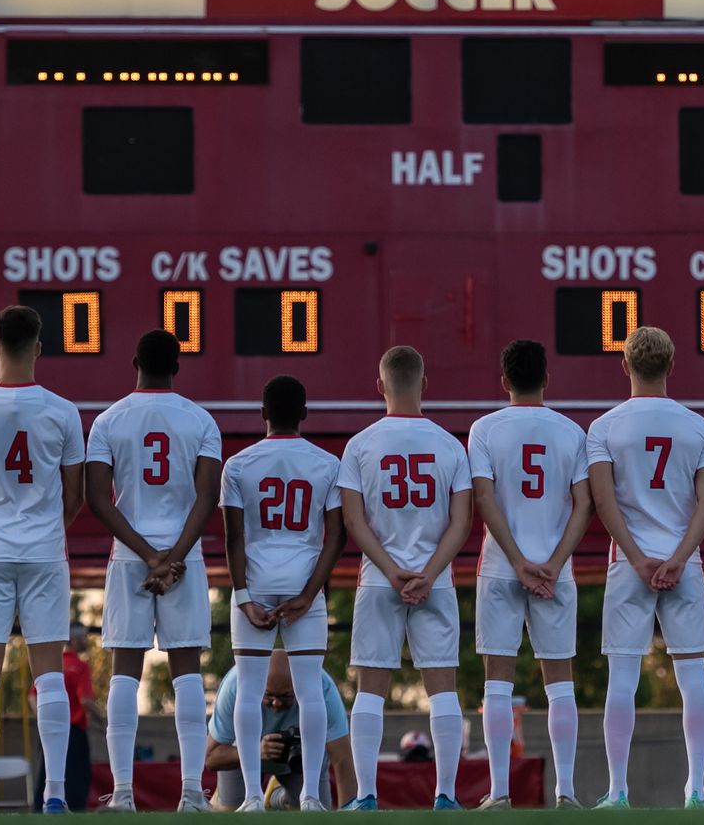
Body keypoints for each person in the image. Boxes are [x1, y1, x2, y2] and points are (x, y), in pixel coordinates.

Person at [0, 305, 86, 814]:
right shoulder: (62, 410)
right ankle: (53, 794)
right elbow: (75, 493)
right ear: (39, 347)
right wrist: (48, 527)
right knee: (49, 674)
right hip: (44, 551)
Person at [85, 329, 221, 813]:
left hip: (130, 555)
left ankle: (123, 793)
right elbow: (207, 498)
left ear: (133, 361)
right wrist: (174, 556)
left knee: (125, 672)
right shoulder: (201, 419)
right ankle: (190, 792)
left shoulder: (108, 420)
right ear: (177, 366)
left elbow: (98, 499)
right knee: (187, 672)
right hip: (184, 556)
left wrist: (147, 556)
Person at [587, 325, 704, 809]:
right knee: (692, 678)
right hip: (684, 562)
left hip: (630, 563)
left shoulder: (604, 426)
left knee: (622, 678)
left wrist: (638, 557)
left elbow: (604, 501)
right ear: (672, 364)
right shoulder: (699, 427)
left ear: (624, 366)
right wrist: (680, 557)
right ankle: (697, 790)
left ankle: (618, 790)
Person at [339, 345, 473, 811]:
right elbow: (461, 523)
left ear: (380, 386)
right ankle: (446, 795)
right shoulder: (450, 445)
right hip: (435, 582)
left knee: (369, 692)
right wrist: (428, 574)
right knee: (442, 691)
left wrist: (392, 571)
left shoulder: (360, 445)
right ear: (425, 384)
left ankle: (365, 795)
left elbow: (354, 522)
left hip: (379, 580)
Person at [468, 338, 591, 809]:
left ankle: (499, 792)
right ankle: (566, 792)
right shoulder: (571, 432)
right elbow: (585, 503)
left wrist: (517, 561)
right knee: (559, 681)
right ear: (547, 378)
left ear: (504, 381)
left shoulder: (484, 428)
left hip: (501, 567)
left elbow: (485, 499)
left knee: (497, 682)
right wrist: (554, 562)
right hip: (554, 572)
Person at [221, 375, 344, 812]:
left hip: (255, 582)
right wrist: (311, 594)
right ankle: (310, 793)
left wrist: (241, 595)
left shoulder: (238, 464)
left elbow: (233, 537)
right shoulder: (328, 463)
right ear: (305, 413)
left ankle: (253, 795)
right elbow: (335, 538)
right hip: (302, 582)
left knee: (249, 690)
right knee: (310, 691)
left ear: (262, 414)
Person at [206, 650, 357, 809]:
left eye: (286, 697)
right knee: (231, 814)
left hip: (300, 762)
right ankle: (225, 800)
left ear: (300, 686)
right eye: (268, 696)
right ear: (257, 685)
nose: (276, 703)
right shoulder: (235, 686)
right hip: (241, 759)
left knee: (316, 815)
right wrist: (256, 751)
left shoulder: (323, 690)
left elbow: (342, 759)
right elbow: (211, 758)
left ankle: (276, 796)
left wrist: (348, 813)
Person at [32, 623, 102, 812]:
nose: (87, 640)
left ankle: (41, 810)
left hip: (48, 730)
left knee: (45, 775)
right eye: (85, 637)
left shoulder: (52, 665)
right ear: (75, 639)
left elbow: (32, 695)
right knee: (76, 782)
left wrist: (42, 719)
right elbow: (86, 700)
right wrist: (104, 720)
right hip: (74, 733)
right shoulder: (79, 666)